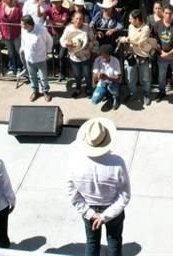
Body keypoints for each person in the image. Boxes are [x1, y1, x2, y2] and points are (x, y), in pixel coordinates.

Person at [67, 117, 131, 256]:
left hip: (88, 209)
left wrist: (90, 213)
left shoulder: (74, 161)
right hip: (113, 210)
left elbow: (72, 193)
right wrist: (105, 216)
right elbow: (125, 196)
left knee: (91, 242)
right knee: (114, 241)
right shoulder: (117, 162)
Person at [20, 15, 54, 102]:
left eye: (23, 24)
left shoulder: (41, 30)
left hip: (40, 58)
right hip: (29, 57)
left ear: (29, 24)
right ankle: (35, 91)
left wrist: (49, 52)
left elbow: (49, 40)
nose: (21, 26)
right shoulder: (24, 30)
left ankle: (45, 91)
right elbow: (23, 41)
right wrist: (23, 49)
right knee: (32, 76)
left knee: (43, 77)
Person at [91, 44, 123, 110]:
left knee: (112, 88)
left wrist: (107, 77)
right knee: (94, 101)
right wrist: (95, 80)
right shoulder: (98, 60)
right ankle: (107, 95)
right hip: (102, 83)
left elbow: (119, 79)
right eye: (102, 57)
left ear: (110, 55)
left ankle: (116, 98)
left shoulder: (115, 61)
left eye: (106, 57)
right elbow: (94, 74)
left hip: (113, 82)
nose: (104, 59)